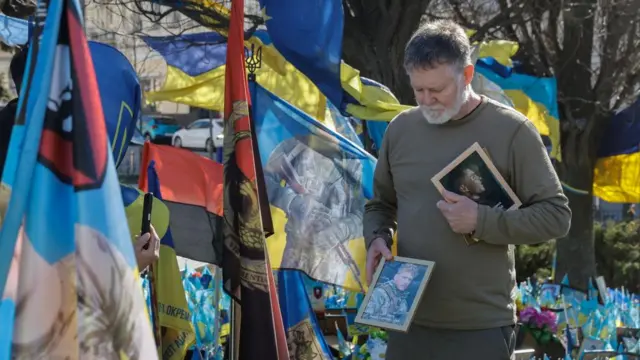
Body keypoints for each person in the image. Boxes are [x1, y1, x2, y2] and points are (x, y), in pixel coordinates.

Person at [363, 20, 571, 360]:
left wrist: (481, 220)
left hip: (480, 328)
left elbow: (556, 216)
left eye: (438, 90)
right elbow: (380, 205)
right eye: (418, 90)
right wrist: (377, 238)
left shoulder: (513, 131)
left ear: (468, 74)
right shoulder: (401, 130)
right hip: (407, 320)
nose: (427, 100)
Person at [264, 135, 365, 287]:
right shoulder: (293, 146)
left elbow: (366, 213)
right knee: (290, 304)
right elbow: (262, 181)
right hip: (296, 251)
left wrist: (340, 230)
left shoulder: (352, 156)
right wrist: (294, 202)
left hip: (333, 261)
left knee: (330, 307)